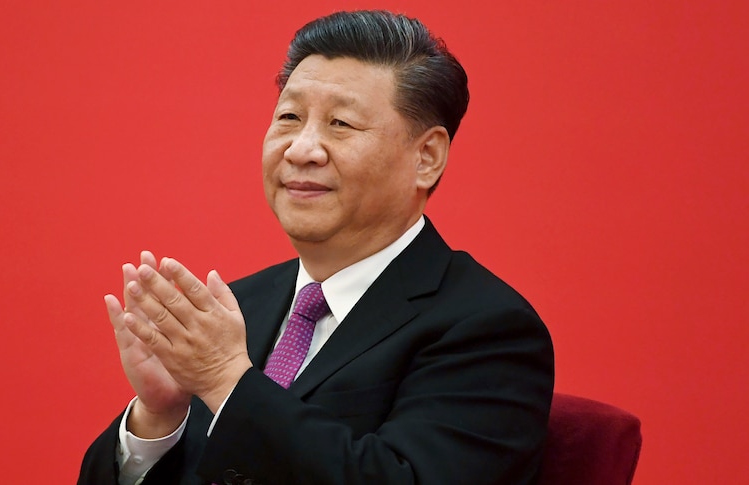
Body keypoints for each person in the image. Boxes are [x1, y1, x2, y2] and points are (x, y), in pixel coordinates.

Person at [78, 10, 554, 485]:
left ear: (426, 157)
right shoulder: (237, 310)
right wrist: (159, 419)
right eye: (289, 117)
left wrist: (227, 381)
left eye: (341, 124)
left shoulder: (486, 329)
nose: (302, 149)